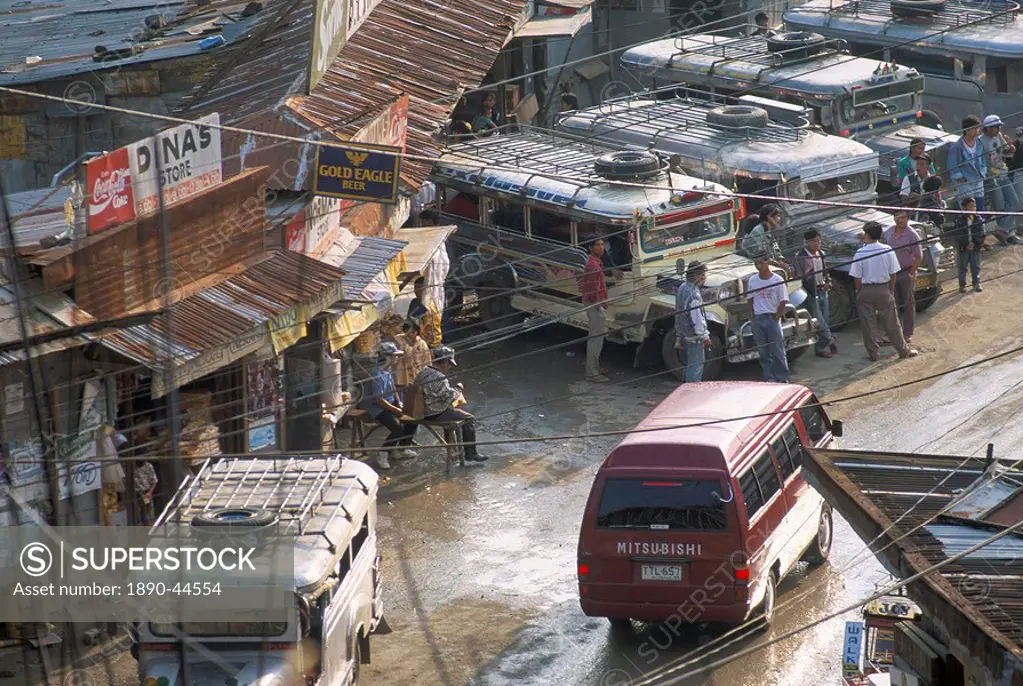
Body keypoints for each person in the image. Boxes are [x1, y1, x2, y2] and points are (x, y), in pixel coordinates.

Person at [849, 221, 918, 362]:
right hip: (884, 289)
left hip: (866, 290)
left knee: (868, 325)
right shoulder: (887, 250)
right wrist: (891, 290)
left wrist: (859, 291)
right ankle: (903, 351)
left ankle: (874, 354)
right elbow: (893, 274)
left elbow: (857, 277)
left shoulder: (860, 252)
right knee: (892, 323)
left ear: (866, 235)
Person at [413, 346, 488, 462]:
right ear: (444, 362)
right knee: (469, 419)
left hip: (423, 408)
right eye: (448, 363)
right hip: (434, 412)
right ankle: (471, 454)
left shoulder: (423, 372)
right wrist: (458, 389)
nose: (448, 367)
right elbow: (449, 397)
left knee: (451, 413)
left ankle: (452, 449)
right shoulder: (439, 377)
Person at [361, 342, 418, 471]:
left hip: (390, 402)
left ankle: (402, 448)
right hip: (377, 408)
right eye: (395, 356)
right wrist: (396, 410)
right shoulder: (377, 375)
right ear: (387, 357)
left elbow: (393, 388)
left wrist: (399, 402)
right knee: (397, 428)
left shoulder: (388, 370)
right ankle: (383, 453)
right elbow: (379, 400)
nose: (397, 359)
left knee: (413, 419)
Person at [747, 256, 791, 382]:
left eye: (761, 262)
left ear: (768, 263)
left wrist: (777, 316)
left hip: (772, 317)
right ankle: (769, 377)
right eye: (756, 263)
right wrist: (752, 316)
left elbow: (783, 301)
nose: (759, 266)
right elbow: (750, 299)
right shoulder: (753, 280)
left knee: (777, 350)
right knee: (763, 351)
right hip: (758, 319)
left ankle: (782, 377)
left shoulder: (778, 279)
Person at [882, 209, 923, 344]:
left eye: (903, 218)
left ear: (907, 219)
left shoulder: (912, 235)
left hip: (906, 272)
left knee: (908, 303)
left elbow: (918, 256)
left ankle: (907, 333)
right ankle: (892, 334)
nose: (900, 220)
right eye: (898, 218)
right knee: (892, 304)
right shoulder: (888, 232)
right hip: (890, 273)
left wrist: (911, 272)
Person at [979, 114, 1021, 243]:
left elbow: (1005, 151)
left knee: (1014, 202)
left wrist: (1010, 148)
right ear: (988, 128)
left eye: (998, 127)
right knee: (1000, 205)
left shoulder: (999, 136)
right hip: (991, 177)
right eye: (996, 127)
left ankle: (1002, 229)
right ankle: (1006, 233)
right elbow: (982, 162)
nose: (998, 129)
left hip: (1003, 174)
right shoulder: (980, 141)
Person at [796, 229, 838, 358]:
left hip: (823, 290)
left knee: (825, 320)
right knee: (820, 323)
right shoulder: (801, 257)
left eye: (818, 241)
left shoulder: (820, 253)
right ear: (806, 242)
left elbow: (825, 272)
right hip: (810, 293)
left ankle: (820, 348)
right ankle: (830, 339)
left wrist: (828, 282)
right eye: (813, 241)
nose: (817, 243)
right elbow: (799, 279)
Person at [947, 116, 988, 231]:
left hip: (978, 180)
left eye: (978, 128)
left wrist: (983, 172)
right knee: (967, 210)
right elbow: (952, 165)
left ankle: (981, 234)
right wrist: (959, 178)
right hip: (965, 182)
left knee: (980, 207)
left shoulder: (979, 143)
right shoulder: (957, 147)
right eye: (974, 128)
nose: (977, 131)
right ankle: (968, 236)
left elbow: (983, 160)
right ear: (967, 130)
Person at [578, 236, 610, 383]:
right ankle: (592, 373)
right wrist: (600, 305)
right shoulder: (592, 265)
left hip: (597, 304)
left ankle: (595, 367)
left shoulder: (596, 263)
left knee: (598, 337)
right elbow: (593, 290)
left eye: (602, 244)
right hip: (594, 306)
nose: (601, 247)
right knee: (595, 339)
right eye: (598, 245)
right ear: (590, 248)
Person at [674, 260, 713, 382]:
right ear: (696, 276)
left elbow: (678, 314)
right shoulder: (693, 295)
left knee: (690, 366)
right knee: (695, 367)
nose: (704, 278)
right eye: (702, 275)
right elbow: (697, 319)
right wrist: (705, 337)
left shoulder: (682, 288)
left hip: (684, 335)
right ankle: (691, 394)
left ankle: (687, 390)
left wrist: (678, 336)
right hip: (694, 338)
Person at [952, 196, 985, 294]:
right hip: (963, 248)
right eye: (970, 206)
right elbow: (958, 234)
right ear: (965, 207)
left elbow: (982, 234)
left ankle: (977, 283)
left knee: (976, 266)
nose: (973, 209)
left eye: (974, 206)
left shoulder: (978, 219)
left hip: (975, 247)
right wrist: (966, 244)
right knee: (962, 267)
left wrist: (974, 242)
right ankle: (962, 285)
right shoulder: (959, 220)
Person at [740, 203, 788, 269]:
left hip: (771, 266)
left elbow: (775, 248)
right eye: (777, 216)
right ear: (769, 216)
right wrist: (776, 263)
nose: (779, 219)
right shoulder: (757, 231)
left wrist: (780, 260)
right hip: (758, 267)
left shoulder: (769, 230)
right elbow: (760, 255)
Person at [394, 318, 432, 388]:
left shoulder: (422, 344)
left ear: (417, 332)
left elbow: (427, 363)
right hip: (401, 380)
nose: (410, 334)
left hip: (417, 380)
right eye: (407, 332)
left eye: (413, 332)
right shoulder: (397, 340)